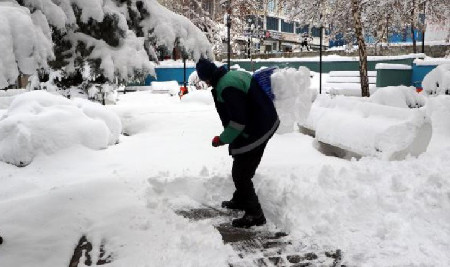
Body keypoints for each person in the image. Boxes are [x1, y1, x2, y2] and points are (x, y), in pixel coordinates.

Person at [195, 58, 279, 228]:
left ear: (207, 78)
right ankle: (241, 199)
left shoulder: (227, 87)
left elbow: (238, 122)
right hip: (263, 121)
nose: (205, 83)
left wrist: (222, 139)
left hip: (257, 128)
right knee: (242, 163)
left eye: (204, 80)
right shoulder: (232, 75)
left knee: (241, 174)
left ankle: (255, 214)